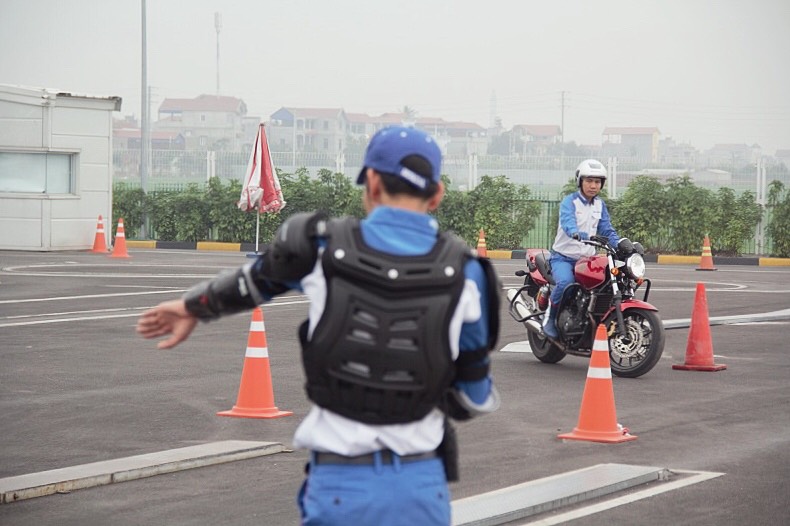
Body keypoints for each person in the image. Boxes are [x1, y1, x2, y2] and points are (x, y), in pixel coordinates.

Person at [136, 125, 501, 526]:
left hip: (339, 486)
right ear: (437, 194)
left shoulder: (321, 248)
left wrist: (192, 307)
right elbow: (473, 397)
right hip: (420, 489)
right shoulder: (469, 274)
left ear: (373, 182)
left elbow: (252, 284)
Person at [542, 159, 620, 339]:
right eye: (589, 181)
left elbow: (607, 229)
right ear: (580, 181)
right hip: (563, 258)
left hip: (587, 260)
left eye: (597, 182)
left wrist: (622, 243)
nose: (593, 186)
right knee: (566, 283)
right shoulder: (569, 202)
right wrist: (576, 233)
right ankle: (549, 318)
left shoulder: (600, 205)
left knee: (604, 285)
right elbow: (568, 222)